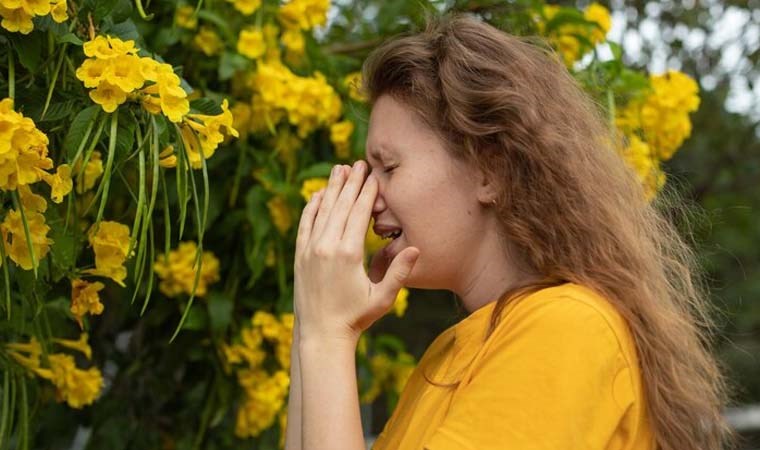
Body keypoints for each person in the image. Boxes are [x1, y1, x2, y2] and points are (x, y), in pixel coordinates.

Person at [284, 12, 737, 450]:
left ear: (490, 170)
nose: (370, 197)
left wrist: (329, 336)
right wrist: (315, 325)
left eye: (389, 166)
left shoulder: (567, 330)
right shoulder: (452, 354)